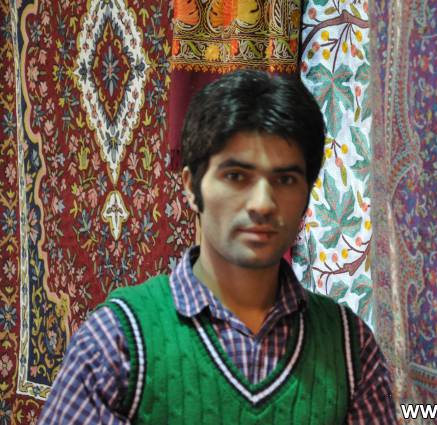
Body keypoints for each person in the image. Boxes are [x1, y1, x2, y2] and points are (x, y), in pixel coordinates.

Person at [38, 70, 396, 424]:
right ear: (191, 188)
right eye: (236, 176)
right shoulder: (118, 341)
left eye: (285, 179)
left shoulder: (349, 348)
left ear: (307, 196)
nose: (262, 203)